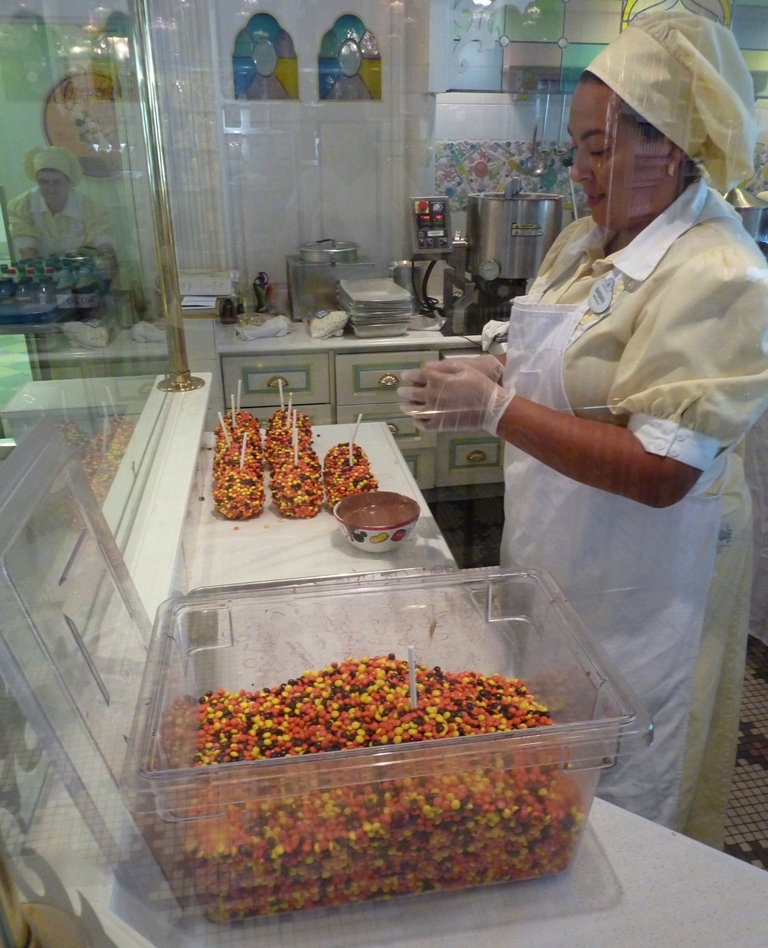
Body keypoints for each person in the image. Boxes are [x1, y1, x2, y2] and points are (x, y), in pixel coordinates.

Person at [399, 11, 768, 847]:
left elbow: (661, 470)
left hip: (648, 587)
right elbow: (572, 369)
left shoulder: (719, 272)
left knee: (627, 798)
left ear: (668, 148)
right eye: (578, 149)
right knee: (548, 765)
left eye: (597, 150)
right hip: (564, 553)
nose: (578, 172)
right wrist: (494, 375)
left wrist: (495, 410)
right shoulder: (585, 239)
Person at [7, 145, 116, 268]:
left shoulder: (92, 210)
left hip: (82, 277)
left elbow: (106, 252)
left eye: (57, 182)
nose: (51, 189)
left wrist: (111, 274)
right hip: (41, 276)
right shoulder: (21, 208)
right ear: (36, 180)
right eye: (43, 182)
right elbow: (27, 255)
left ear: (68, 181)